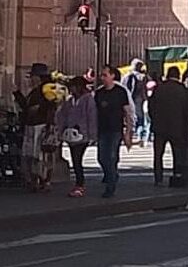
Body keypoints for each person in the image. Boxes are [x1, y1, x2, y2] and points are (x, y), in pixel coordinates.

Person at [15, 63, 60, 193]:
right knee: (33, 155)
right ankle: (36, 180)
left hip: (40, 125)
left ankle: (43, 181)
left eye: (33, 76)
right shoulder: (35, 91)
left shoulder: (46, 90)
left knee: (40, 155)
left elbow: (50, 108)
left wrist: (49, 124)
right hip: (32, 124)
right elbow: (27, 107)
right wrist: (17, 94)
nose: (31, 79)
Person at [148, 67, 188, 186]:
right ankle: (176, 174)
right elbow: (187, 110)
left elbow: (151, 106)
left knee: (158, 154)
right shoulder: (182, 89)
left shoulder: (159, 88)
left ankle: (158, 178)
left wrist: (154, 119)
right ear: (178, 76)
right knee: (177, 153)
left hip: (159, 126)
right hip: (177, 126)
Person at [94, 65, 134, 198]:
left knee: (111, 156)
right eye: (102, 75)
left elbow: (127, 112)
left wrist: (128, 132)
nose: (102, 78)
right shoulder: (99, 93)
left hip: (116, 129)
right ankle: (111, 174)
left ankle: (110, 186)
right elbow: (94, 112)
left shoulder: (120, 92)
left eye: (105, 75)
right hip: (102, 128)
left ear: (112, 76)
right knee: (101, 158)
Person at [56, 76, 97, 198]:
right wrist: (60, 130)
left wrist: (92, 135)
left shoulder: (88, 99)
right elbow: (62, 115)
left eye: (73, 86)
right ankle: (79, 183)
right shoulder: (69, 101)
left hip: (82, 134)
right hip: (70, 134)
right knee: (75, 159)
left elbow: (92, 116)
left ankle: (80, 184)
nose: (71, 89)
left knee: (77, 159)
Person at [122, 59, 149, 147]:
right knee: (140, 118)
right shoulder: (143, 77)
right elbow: (144, 90)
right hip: (138, 99)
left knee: (129, 118)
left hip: (127, 99)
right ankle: (140, 136)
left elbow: (123, 87)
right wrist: (146, 99)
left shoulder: (126, 76)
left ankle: (129, 136)